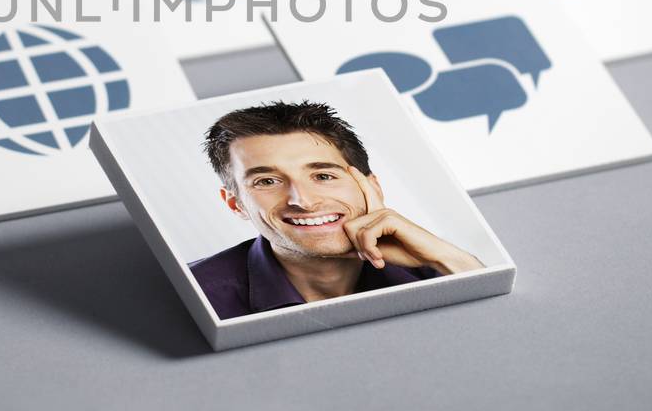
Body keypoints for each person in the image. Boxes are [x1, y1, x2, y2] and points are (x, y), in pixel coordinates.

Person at [189, 100, 483, 319]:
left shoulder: (434, 267)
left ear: (372, 188)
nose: (303, 200)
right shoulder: (196, 294)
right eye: (267, 181)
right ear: (236, 204)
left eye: (324, 176)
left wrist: (446, 259)